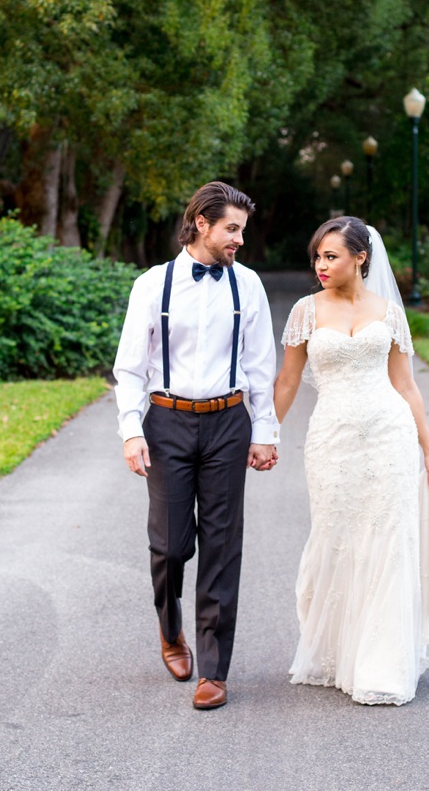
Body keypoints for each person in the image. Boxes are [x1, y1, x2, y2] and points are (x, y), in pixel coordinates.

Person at [273, 216, 429, 706]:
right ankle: (339, 653)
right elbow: (287, 381)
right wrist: (266, 435)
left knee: (388, 543)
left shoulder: (389, 313)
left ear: (360, 258)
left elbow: (406, 385)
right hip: (331, 442)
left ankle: (382, 664)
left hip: (390, 437)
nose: (321, 266)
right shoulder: (305, 311)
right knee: (336, 538)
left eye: (331, 256)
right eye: (317, 257)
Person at [114, 181, 279, 711]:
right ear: (202, 223)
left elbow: (259, 366)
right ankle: (170, 630)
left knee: (222, 544)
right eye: (232, 229)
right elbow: (130, 367)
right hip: (166, 421)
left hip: (228, 421)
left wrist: (264, 431)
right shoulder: (152, 285)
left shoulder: (247, 285)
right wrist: (131, 430)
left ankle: (214, 668)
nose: (239, 241)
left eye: (242, 231)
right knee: (169, 545)